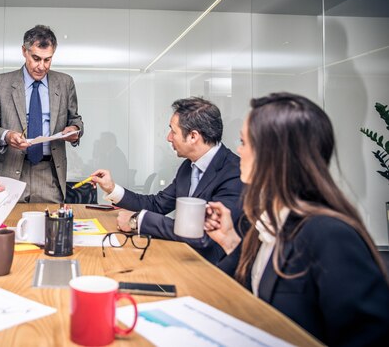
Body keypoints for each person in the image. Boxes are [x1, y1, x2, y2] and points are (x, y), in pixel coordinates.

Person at [205, 92, 389, 346]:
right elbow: (258, 295)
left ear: (275, 154)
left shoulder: (329, 235)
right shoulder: (265, 220)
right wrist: (230, 242)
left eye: (243, 141)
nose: (237, 150)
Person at [90, 97, 242, 263]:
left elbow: (204, 234)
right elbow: (157, 205)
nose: (169, 138)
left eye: (173, 131)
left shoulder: (234, 172)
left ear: (193, 136)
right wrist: (112, 189)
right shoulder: (188, 167)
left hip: (213, 270)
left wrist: (138, 221)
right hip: (179, 256)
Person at [0, 25, 84, 203]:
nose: (41, 66)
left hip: (50, 174)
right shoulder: (0, 84)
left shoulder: (65, 83)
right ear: (24, 51)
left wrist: (74, 130)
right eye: (36, 58)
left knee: (51, 228)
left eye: (47, 60)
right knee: (9, 226)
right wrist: (7, 136)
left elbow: (76, 120)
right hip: (11, 172)